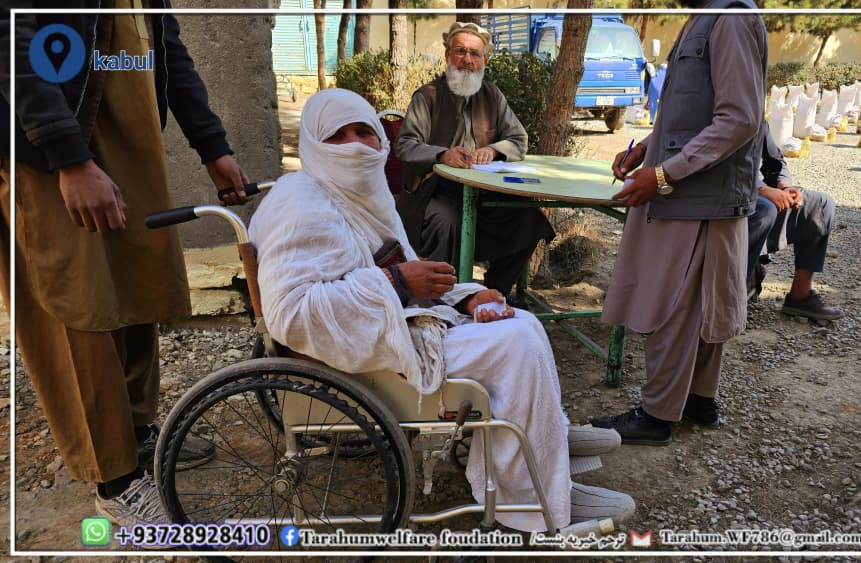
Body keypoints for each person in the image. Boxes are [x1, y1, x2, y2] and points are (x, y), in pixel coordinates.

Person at [248, 88, 634, 533]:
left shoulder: (360, 195)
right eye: (339, 136)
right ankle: (532, 499)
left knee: (518, 319)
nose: (356, 145)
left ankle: (547, 443)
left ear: (380, 141)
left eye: (365, 133)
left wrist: (467, 298)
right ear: (315, 145)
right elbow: (292, 314)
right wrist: (396, 283)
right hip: (354, 354)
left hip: (385, 325)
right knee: (516, 343)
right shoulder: (301, 204)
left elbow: (408, 274)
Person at [1, 2, 250, 526]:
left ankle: (136, 437)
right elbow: (12, 38)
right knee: (79, 305)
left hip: (127, 140)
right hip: (49, 150)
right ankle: (112, 480)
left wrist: (212, 146)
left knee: (140, 284)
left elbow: (167, 51)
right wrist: (68, 158)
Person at [590, 0, 768, 445]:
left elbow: (741, 118)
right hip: (698, 193)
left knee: (670, 304)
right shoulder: (706, 16)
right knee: (701, 302)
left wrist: (666, 173)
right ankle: (698, 400)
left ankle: (656, 415)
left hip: (697, 195)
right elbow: (694, 113)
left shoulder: (730, 18)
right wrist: (647, 149)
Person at [395, 21, 555, 298]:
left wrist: (493, 150)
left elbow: (519, 139)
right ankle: (444, 299)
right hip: (433, 195)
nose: (467, 60)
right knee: (448, 221)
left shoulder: (492, 95)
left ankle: (496, 292)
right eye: (460, 51)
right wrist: (442, 154)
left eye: (474, 54)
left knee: (529, 218)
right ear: (447, 56)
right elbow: (405, 145)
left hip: (483, 193)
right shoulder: (427, 96)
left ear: (485, 60)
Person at [747, 121, 843, 320]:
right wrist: (761, 190)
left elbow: (775, 163)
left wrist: (784, 187)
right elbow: (719, 167)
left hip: (758, 196)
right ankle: (728, 295)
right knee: (766, 209)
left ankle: (800, 296)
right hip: (727, 201)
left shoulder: (757, 119)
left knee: (820, 205)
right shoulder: (710, 112)